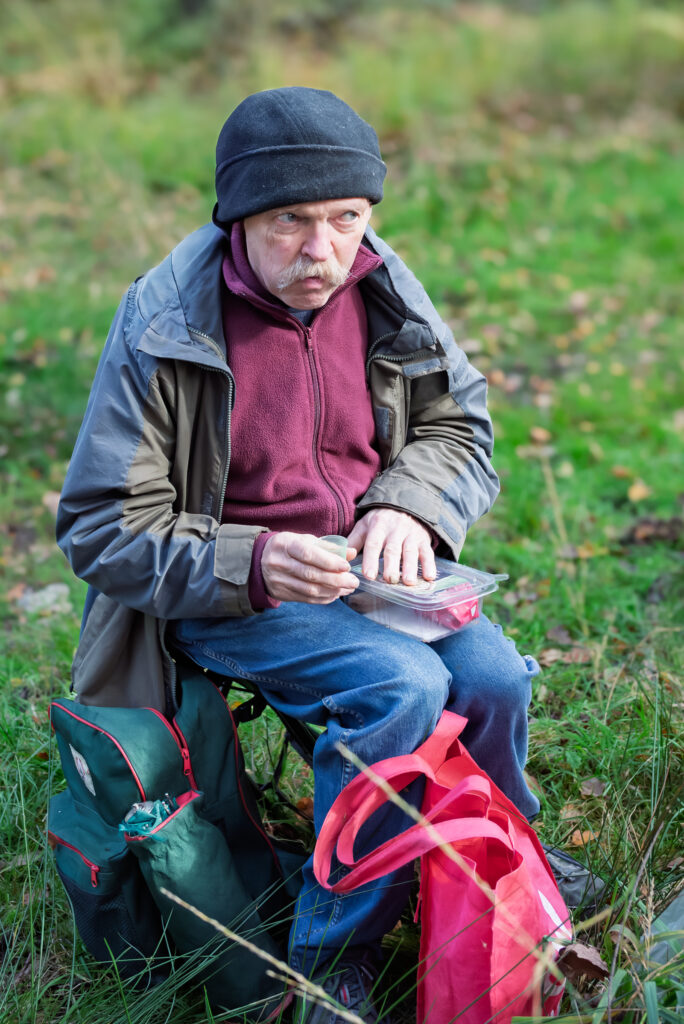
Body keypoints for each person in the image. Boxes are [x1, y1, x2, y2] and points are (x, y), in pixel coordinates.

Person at [56, 87, 541, 1023]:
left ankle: (494, 872)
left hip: (371, 575)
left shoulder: (381, 281)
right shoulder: (165, 319)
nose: (323, 251)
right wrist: (255, 561)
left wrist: (407, 507)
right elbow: (101, 524)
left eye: (346, 218)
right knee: (401, 688)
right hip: (228, 587)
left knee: (491, 680)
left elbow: (459, 425)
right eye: (290, 221)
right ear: (237, 218)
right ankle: (333, 959)